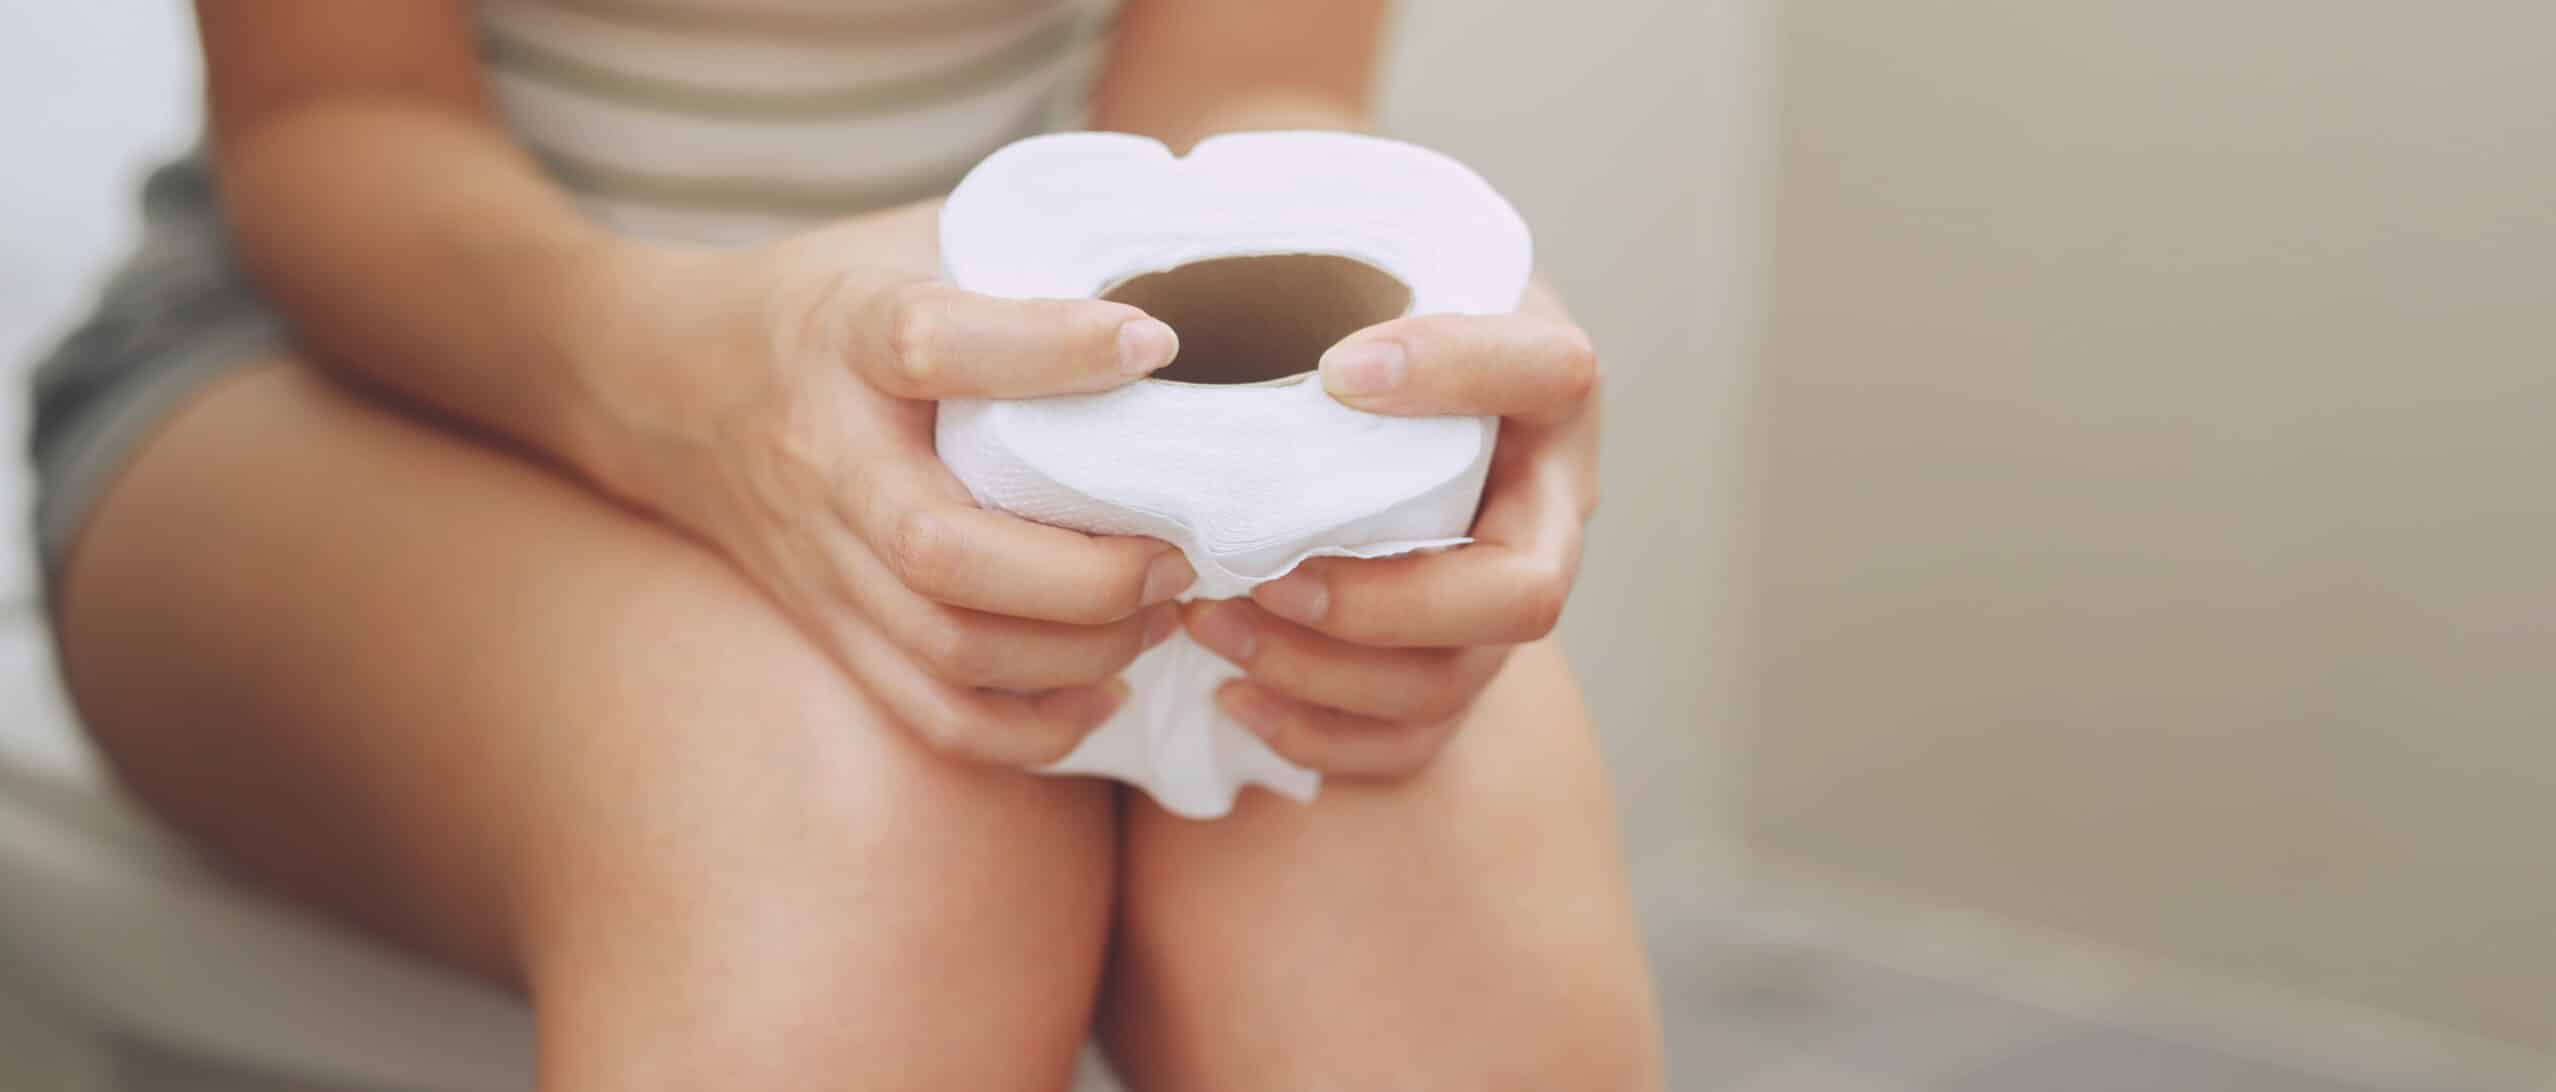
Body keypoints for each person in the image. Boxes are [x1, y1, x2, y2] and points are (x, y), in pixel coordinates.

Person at [29, 1, 1660, 1087]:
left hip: (1018, 372)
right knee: (844, 822)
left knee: (1405, 804)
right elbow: (337, 117)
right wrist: (689, 381)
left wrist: (1387, 315)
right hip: (379, 363)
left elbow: (1241, 86)